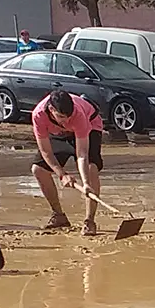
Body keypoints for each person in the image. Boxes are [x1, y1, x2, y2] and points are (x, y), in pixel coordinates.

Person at [30, 89, 103, 234]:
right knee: (38, 170)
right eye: (61, 116)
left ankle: (90, 221)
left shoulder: (77, 114)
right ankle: (58, 215)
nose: (66, 120)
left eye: (68, 116)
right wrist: (62, 174)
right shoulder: (38, 115)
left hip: (90, 125)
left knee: (91, 169)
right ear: (51, 110)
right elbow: (46, 151)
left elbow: (82, 153)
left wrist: (86, 183)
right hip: (58, 132)